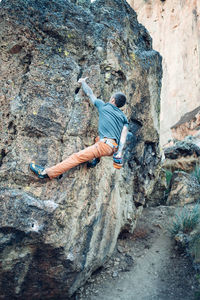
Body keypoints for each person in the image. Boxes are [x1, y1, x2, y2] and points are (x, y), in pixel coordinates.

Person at [30, 77, 129, 179]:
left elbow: (90, 94)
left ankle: (46, 173)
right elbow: (124, 136)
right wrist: (119, 152)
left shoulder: (105, 107)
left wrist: (83, 82)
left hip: (104, 146)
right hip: (113, 149)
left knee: (76, 157)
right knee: (97, 138)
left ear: (112, 100)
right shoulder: (123, 118)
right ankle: (95, 160)